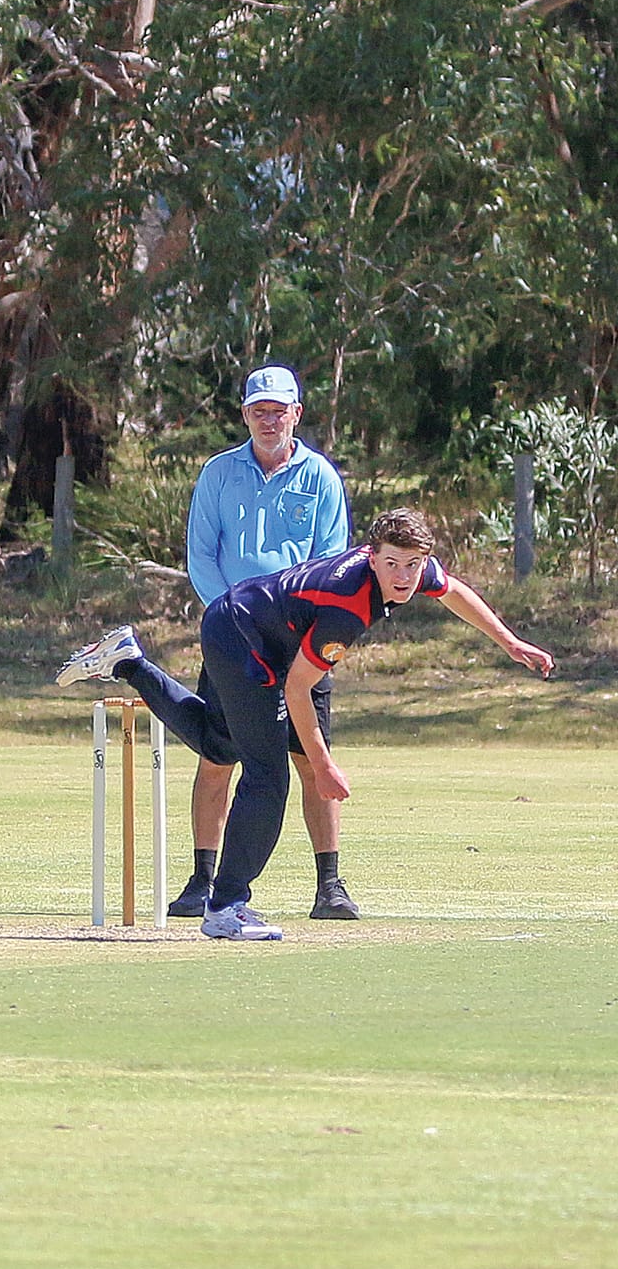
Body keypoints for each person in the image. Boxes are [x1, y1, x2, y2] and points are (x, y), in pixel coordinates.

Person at [57, 507, 553, 941]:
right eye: (392, 565)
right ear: (371, 555)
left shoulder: (410, 571)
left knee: (218, 744)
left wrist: (509, 643)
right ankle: (225, 906)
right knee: (268, 777)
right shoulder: (347, 608)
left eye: (413, 565)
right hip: (244, 637)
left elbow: (453, 591)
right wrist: (323, 766)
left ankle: (129, 662)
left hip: (252, 627)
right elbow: (298, 689)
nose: (404, 577)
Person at [177, 363, 355, 921]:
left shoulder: (320, 476)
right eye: (259, 410)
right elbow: (201, 555)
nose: (269, 419)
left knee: (311, 758)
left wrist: (306, 627)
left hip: (300, 640)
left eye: (279, 410)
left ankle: (329, 885)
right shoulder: (219, 473)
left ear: (296, 414)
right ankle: (203, 880)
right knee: (217, 756)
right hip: (234, 639)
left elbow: (333, 558)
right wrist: (231, 620)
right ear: (246, 414)